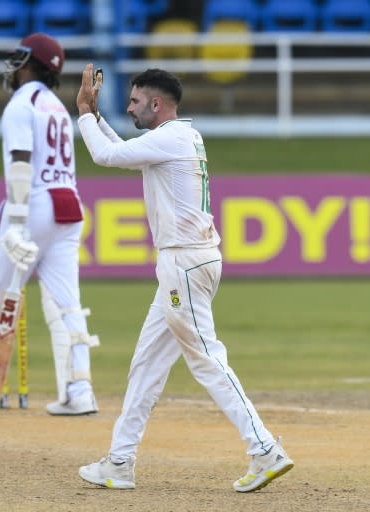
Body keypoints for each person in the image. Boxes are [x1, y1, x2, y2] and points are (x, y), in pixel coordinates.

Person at [74, 64, 294, 492]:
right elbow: (123, 151)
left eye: (135, 101)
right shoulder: (180, 135)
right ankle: (119, 461)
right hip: (188, 262)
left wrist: (84, 111)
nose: (129, 107)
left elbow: (106, 156)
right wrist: (98, 118)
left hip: (184, 264)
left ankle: (264, 448)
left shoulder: (171, 139)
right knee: (146, 366)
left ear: (156, 104)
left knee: (206, 358)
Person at [0, 32, 100, 416]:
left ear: (33, 65)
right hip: (69, 205)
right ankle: (78, 390)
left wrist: (15, 221)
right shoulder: (58, 108)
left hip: (33, 203)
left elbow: (19, 161)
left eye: (20, 59)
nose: (14, 65)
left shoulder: (22, 102)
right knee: (67, 304)